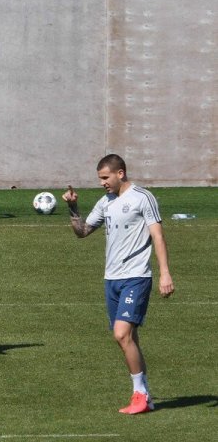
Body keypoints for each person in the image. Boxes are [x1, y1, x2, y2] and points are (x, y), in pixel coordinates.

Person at [62, 154, 174, 414]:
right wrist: (73, 208)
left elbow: (157, 235)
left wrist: (165, 273)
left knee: (121, 334)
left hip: (136, 276)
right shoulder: (106, 202)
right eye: (100, 178)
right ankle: (144, 395)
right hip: (111, 278)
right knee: (129, 338)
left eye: (105, 178)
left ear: (120, 173)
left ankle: (140, 395)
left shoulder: (142, 198)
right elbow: (83, 232)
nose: (102, 183)